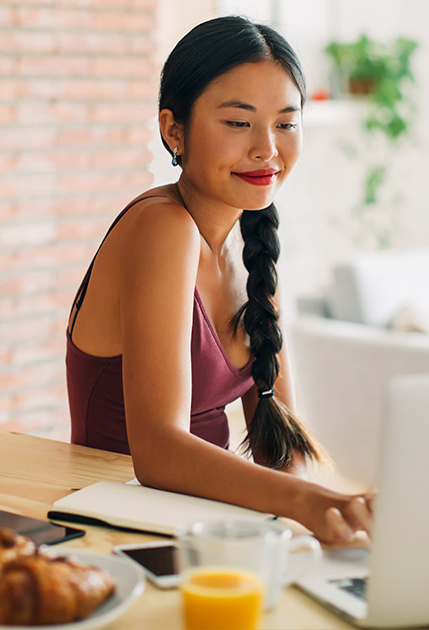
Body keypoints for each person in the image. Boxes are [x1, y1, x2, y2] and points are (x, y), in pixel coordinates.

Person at [64, 16, 372, 546]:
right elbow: (158, 450)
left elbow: (280, 438)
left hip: (201, 524)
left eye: (286, 123)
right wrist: (305, 503)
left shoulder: (253, 239)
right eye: (237, 122)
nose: (267, 149)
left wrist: (326, 521)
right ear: (172, 129)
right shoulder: (162, 226)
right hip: (116, 534)